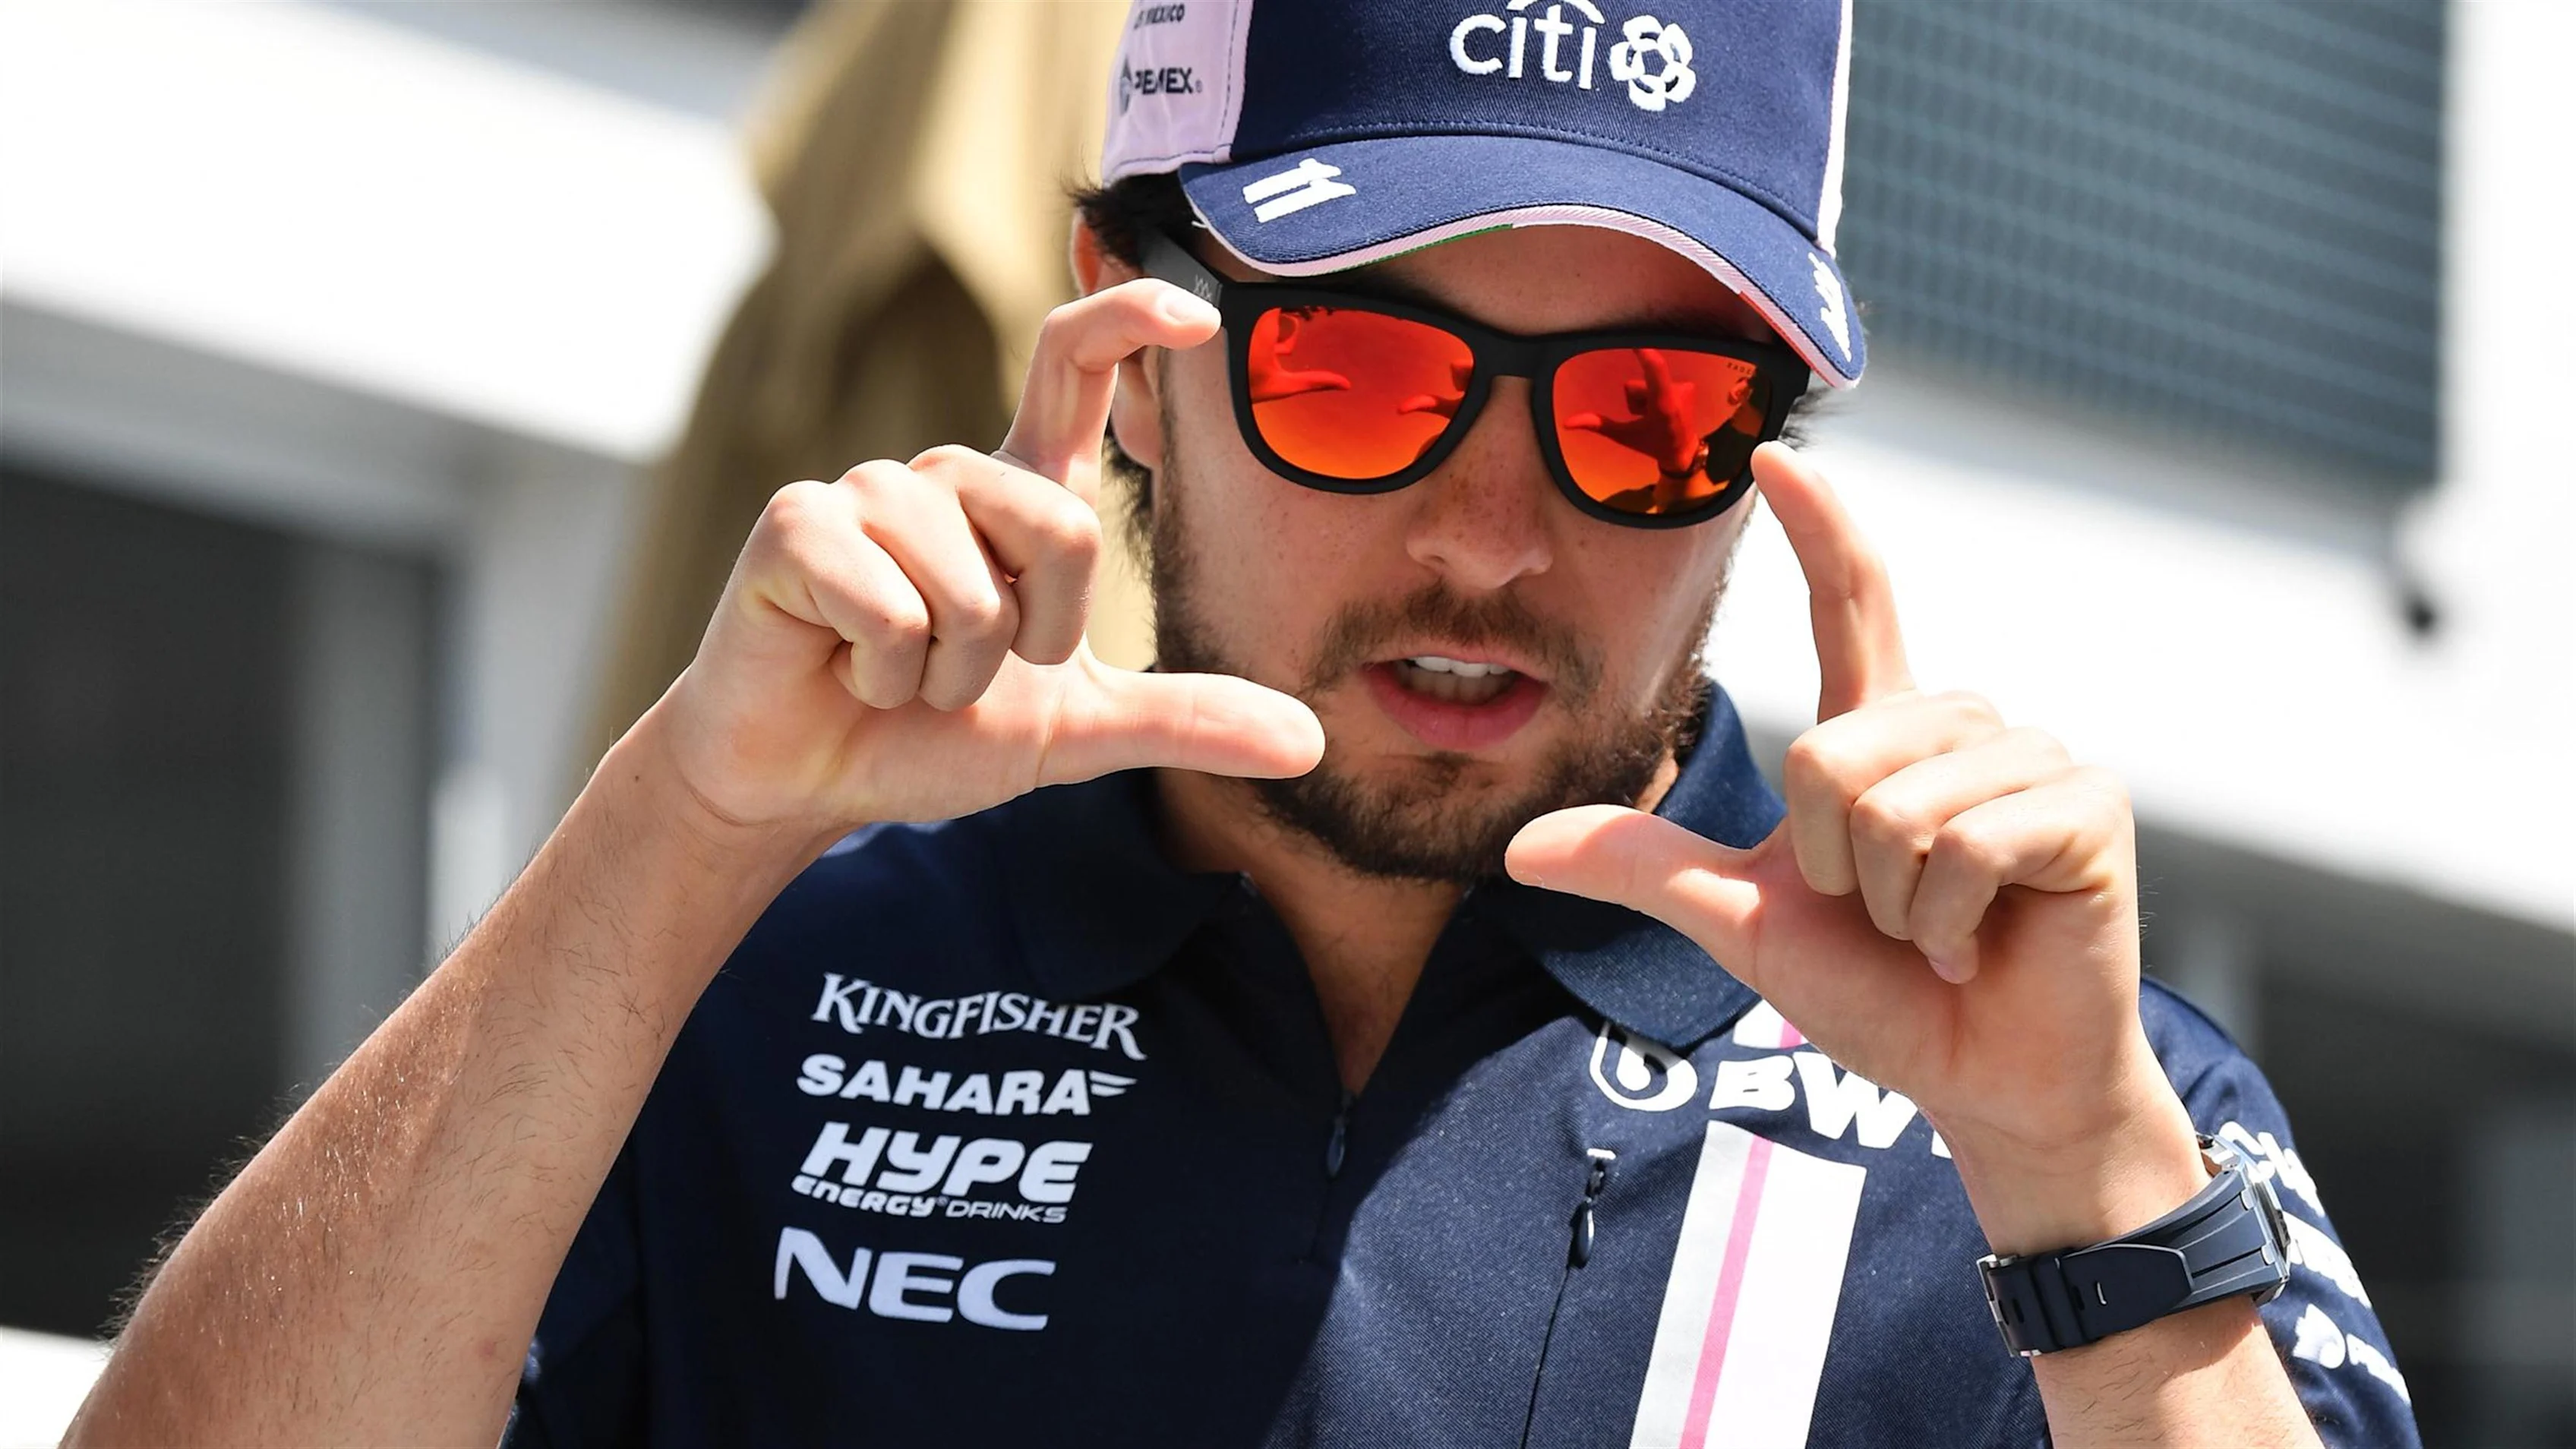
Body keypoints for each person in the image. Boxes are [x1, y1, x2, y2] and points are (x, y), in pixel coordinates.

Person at [69, 2, 2420, 1445]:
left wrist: (2089, 1190)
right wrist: (677, 828)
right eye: (1364, 368)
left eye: (1647, 415)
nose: (1495, 533)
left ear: (1773, 456)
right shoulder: (757, 988)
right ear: (1129, 337)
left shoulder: (2051, 1110)